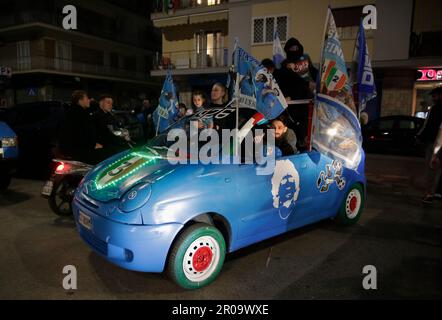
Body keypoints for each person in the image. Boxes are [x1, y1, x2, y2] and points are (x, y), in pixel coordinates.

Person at [59, 90, 102, 164]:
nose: (89, 100)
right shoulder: (79, 114)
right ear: (80, 100)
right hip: (80, 150)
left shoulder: (75, 111)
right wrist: (93, 145)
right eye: (87, 98)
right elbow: (80, 134)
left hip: (75, 148)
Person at [416, 86, 442, 204]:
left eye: (434, 95)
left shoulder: (436, 109)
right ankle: (437, 192)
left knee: (432, 168)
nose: (433, 98)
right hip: (436, 141)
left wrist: (420, 137)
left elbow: (429, 126)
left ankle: (429, 194)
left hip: (436, 142)